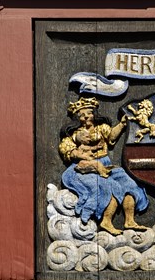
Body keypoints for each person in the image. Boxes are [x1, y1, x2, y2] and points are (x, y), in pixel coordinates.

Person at [59, 96, 148, 235]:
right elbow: (66, 148)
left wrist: (122, 124)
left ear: (94, 114)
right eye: (82, 115)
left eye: (89, 113)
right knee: (109, 187)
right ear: (77, 119)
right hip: (85, 168)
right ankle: (106, 221)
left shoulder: (101, 128)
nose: (86, 117)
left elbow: (112, 136)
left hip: (105, 164)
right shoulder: (75, 134)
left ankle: (129, 220)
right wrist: (79, 151)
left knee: (129, 183)